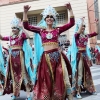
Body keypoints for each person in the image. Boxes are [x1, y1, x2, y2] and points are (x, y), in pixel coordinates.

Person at [23, 2, 75, 100]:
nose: (49, 18)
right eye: (47, 17)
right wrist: (25, 12)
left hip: (58, 58)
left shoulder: (58, 30)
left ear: (54, 19)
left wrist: (70, 9)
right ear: (45, 19)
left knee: (65, 80)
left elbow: (71, 23)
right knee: (47, 81)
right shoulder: (41, 31)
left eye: (51, 17)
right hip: (46, 59)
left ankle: (69, 97)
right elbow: (26, 26)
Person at [0, 17, 34, 100]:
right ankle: (15, 94)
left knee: (24, 76)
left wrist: (22, 27)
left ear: (18, 28)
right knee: (14, 77)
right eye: (12, 28)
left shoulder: (21, 35)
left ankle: (29, 95)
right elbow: (1, 38)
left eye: (15, 28)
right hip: (12, 60)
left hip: (21, 59)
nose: (13, 29)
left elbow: (28, 36)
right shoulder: (10, 37)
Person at [70, 18, 98, 99]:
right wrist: (81, 22)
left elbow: (96, 33)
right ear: (78, 26)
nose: (83, 27)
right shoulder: (76, 35)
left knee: (88, 73)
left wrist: (96, 24)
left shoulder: (86, 35)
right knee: (79, 74)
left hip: (85, 56)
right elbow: (78, 32)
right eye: (81, 26)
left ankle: (90, 89)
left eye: (84, 26)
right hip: (79, 56)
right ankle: (78, 91)